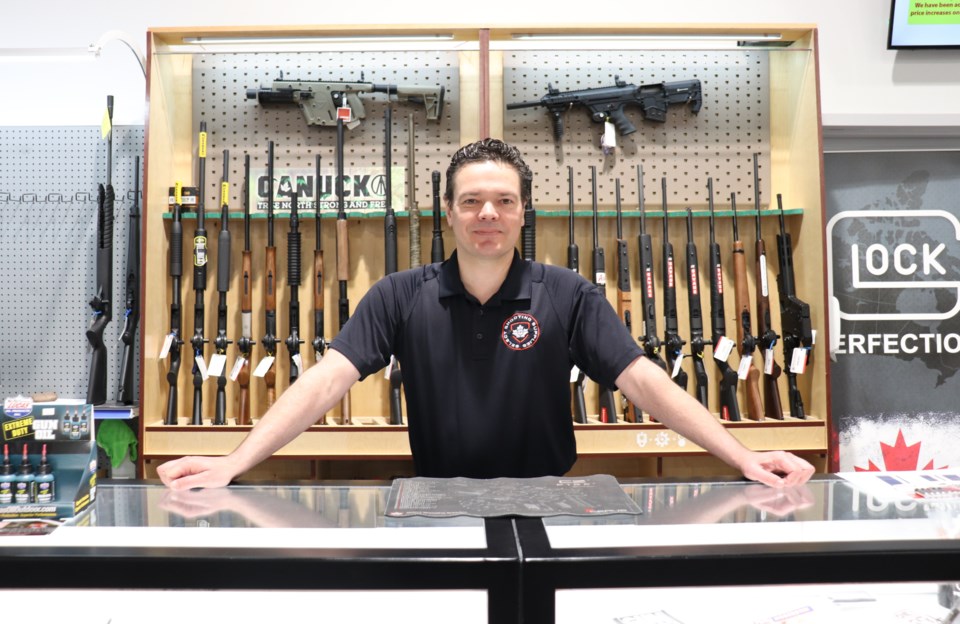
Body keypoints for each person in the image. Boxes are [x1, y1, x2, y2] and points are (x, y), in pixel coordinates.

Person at [158, 139, 814, 490]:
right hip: (434, 502)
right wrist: (233, 463)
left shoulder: (569, 294)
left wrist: (744, 458)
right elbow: (323, 382)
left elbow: (647, 383)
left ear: (524, 211)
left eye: (503, 200)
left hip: (552, 502)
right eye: (472, 201)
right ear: (448, 211)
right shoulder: (397, 295)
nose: (488, 214)